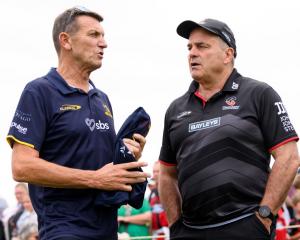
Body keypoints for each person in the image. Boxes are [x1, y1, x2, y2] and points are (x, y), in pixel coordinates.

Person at [6, 6, 149, 240]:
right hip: (64, 228)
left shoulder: (102, 98)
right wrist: (94, 179)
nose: (103, 43)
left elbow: (102, 165)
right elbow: (21, 166)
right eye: (94, 35)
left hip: (107, 228)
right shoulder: (40, 91)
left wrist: (126, 153)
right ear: (66, 41)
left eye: (103, 36)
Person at [158, 18, 300, 240]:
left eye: (202, 46)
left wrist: (264, 215)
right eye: (189, 47)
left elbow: (289, 157)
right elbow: (167, 174)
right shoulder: (176, 109)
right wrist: (175, 225)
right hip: (190, 231)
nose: (192, 53)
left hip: (245, 226)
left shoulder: (259, 94)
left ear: (228, 55)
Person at [148, 161, 169, 239]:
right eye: (154, 171)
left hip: (168, 230)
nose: (155, 174)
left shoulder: (171, 188)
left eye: (158, 171)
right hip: (155, 231)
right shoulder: (152, 192)